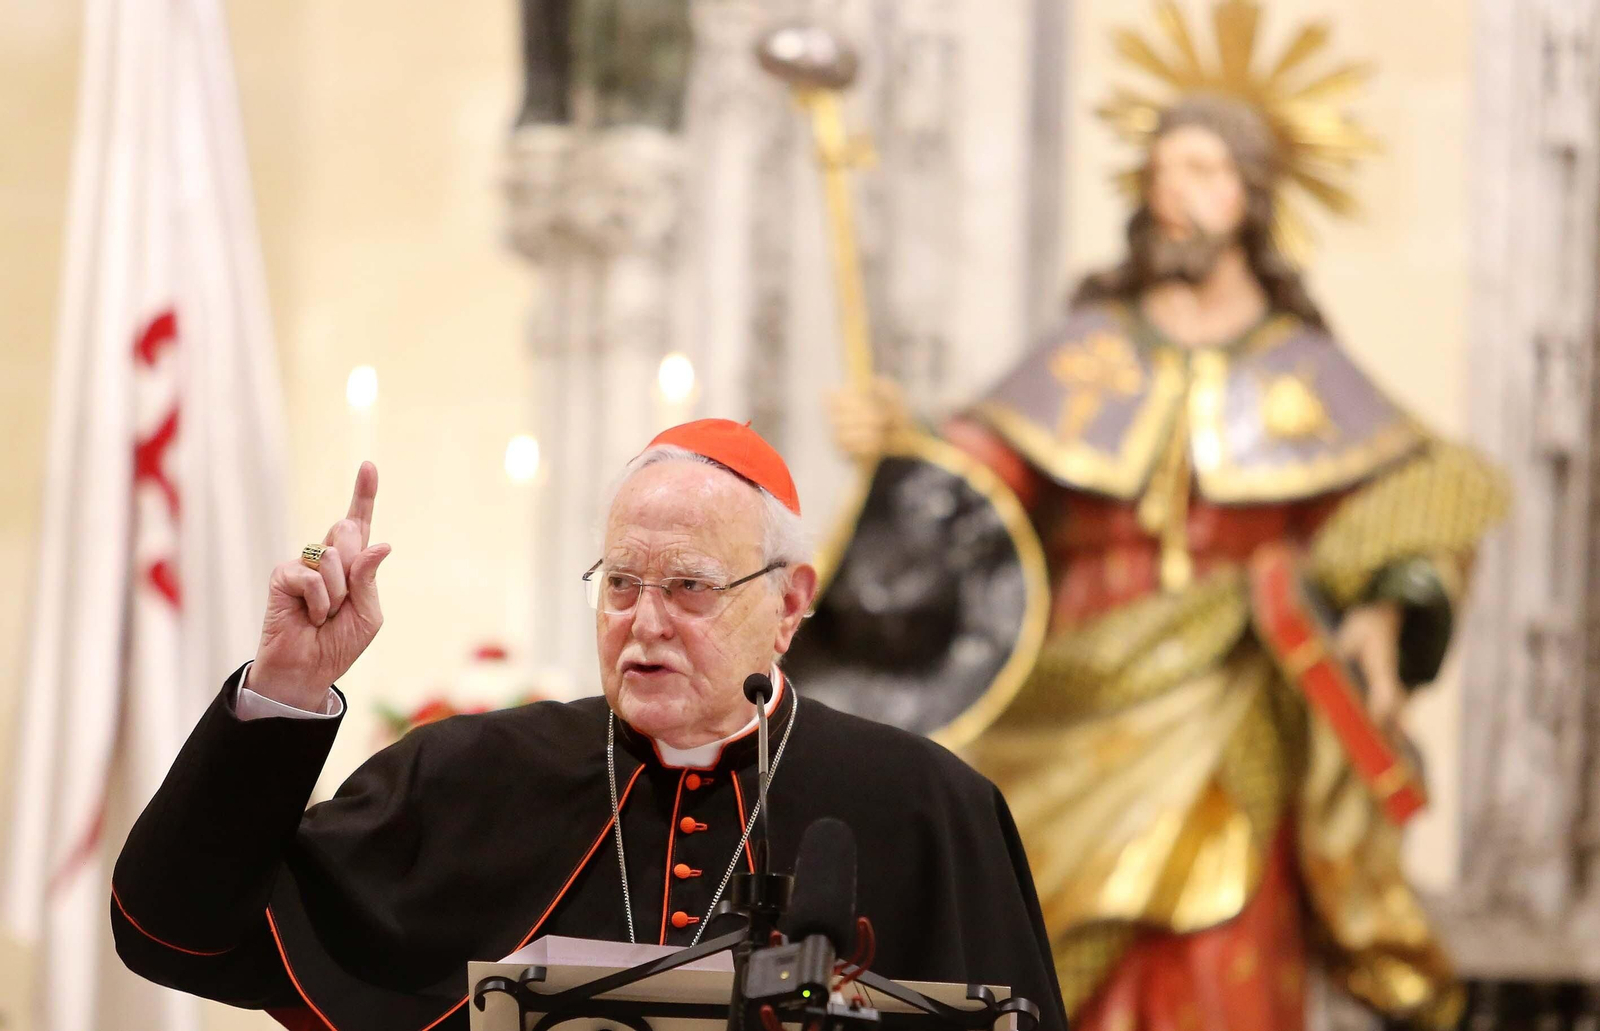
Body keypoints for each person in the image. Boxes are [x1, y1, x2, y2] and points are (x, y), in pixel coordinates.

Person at [829, 88, 1505, 1031]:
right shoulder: (1091, 349)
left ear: (1251, 197)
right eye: (1161, 171)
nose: (1172, 192)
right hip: (1071, 698)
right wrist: (907, 441)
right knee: (1042, 941)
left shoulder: (1302, 367)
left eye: (1202, 170)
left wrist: (1385, 613)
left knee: (1221, 940)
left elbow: (1416, 495)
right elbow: (990, 466)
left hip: (1232, 699)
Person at [110, 418, 1069, 1031]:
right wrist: (287, 687)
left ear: (791, 600)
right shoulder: (470, 775)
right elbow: (174, 931)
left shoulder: (927, 804)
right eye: (620, 584)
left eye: (689, 586)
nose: (644, 623)